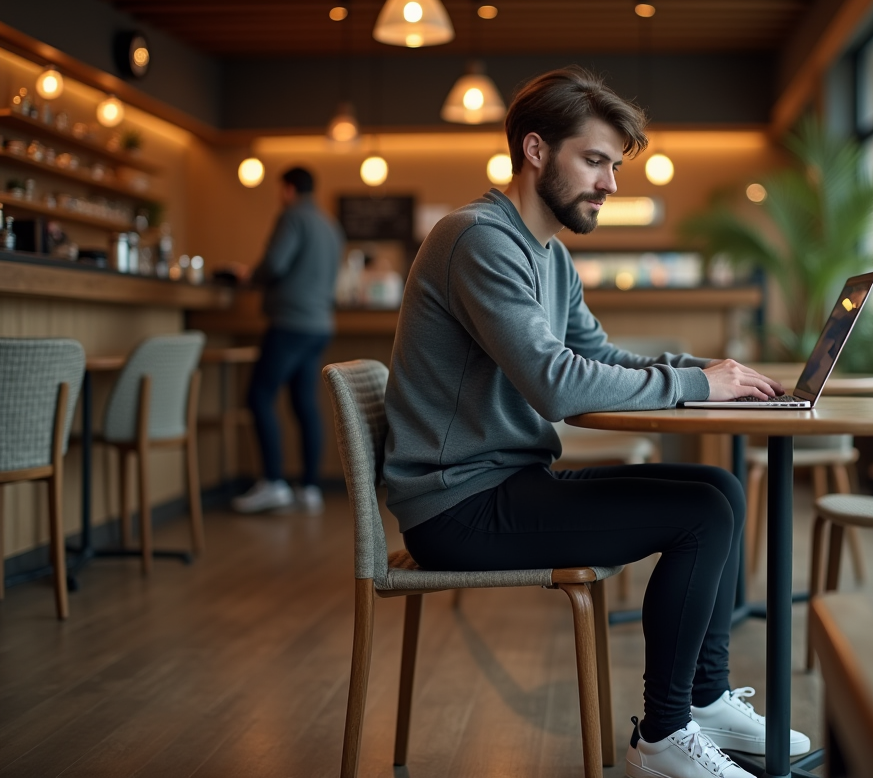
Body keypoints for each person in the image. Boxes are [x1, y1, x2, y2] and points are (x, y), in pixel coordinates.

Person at [383, 67, 810, 778]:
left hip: (506, 483)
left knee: (720, 491)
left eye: (614, 166)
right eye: (595, 161)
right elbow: (556, 384)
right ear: (536, 150)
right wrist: (696, 385)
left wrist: (712, 372)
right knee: (701, 514)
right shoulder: (478, 239)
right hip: (458, 507)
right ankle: (664, 738)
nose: (610, 183)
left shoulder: (549, 256)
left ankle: (703, 700)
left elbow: (599, 356)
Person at [233, 167, 343, 515]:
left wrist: (250, 275)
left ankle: (273, 483)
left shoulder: (293, 216)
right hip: (319, 325)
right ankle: (309, 487)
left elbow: (275, 264)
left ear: (288, 189)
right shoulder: (330, 225)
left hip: (291, 322)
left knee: (259, 396)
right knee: (304, 404)